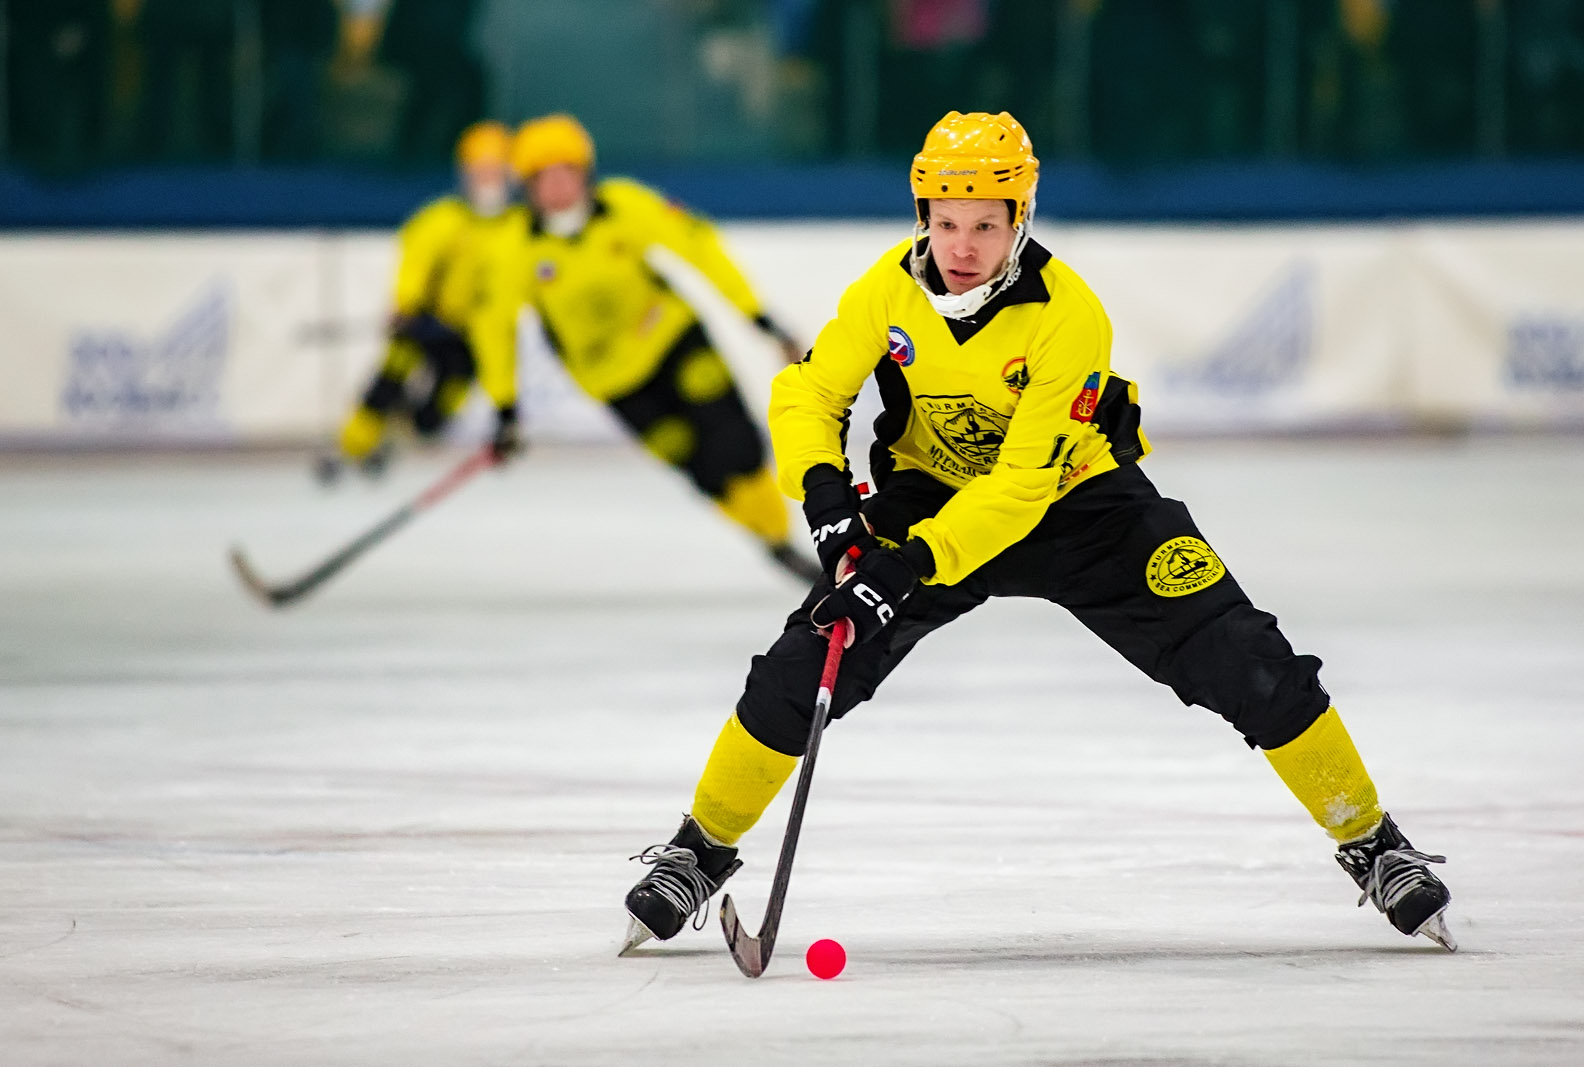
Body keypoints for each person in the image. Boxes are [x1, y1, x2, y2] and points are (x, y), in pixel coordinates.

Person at [620, 111, 1455, 955]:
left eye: (986, 224)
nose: (962, 245)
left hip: (1080, 508)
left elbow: (1020, 487)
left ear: (1020, 218)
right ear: (922, 216)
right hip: (930, 494)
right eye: (945, 222)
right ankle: (699, 851)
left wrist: (905, 567)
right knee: (807, 659)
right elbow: (808, 393)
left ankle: (1374, 842)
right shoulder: (889, 287)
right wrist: (830, 503)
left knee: (1247, 657)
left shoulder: (1069, 315)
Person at [470, 114, 819, 582]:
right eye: (543, 178)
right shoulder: (514, 247)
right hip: (612, 379)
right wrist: (504, 406)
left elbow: (699, 248)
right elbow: (494, 328)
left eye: (566, 174)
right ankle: (774, 543)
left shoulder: (625, 205)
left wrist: (758, 317)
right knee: (702, 468)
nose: (557, 188)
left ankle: (777, 532)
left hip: (671, 339)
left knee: (737, 445)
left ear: (585, 174)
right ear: (526, 186)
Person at [319, 120, 523, 482]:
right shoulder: (441, 219)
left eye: (494, 172)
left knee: (441, 408)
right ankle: (350, 446)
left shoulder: (519, 228)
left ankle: (396, 440)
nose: (487, 180)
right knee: (390, 379)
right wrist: (407, 305)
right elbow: (414, 265)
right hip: (426, 322)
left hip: (470, 337)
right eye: (480, 171)